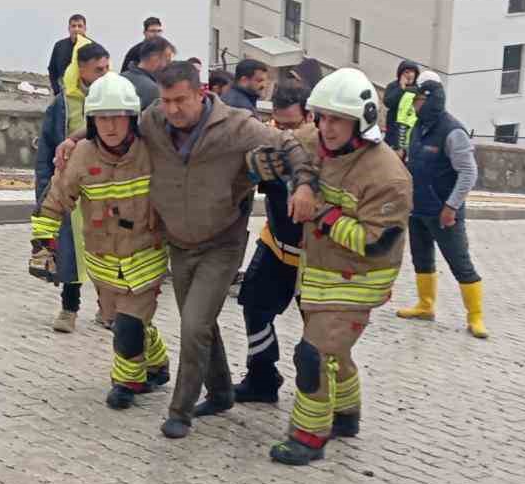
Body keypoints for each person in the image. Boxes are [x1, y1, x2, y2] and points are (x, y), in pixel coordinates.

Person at [63, 63, 318, 440]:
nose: (173, 109)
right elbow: (118, 121)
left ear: (200, 93)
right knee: (201, 321)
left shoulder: (235, 125)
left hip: (222, 242)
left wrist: (304, 186)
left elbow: (288, 144)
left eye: (181, 99)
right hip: (180, 243)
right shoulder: (154, 120)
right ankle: (220, 392)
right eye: (166, 100)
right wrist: (74, 139)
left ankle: (180, 410)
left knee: (194, 324)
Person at [263, 67, 411, 466]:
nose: (326, 128)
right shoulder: (318, 140)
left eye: (337, 120)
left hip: (359, 280)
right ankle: (346, 414)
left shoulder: (388, 176)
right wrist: (299, 180)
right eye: (322, 117)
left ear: (360, 122)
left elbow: (375, 242)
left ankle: (310, 436)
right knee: (336, 353)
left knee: (312, 354)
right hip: (319, 274)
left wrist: (321, 213)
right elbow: (284, 151)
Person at [30, 74, 171, 408]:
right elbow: (54, 202)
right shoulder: (80, 156)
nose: (110, 126)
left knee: (128, 324)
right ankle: (157, 362)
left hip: (145, 256)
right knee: (118, 320)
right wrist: (42, 245)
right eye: (102, 118)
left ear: (131, 118)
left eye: (118, 117)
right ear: (92, 121)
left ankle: (127, 383)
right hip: (103, 261)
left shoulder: (153, 149)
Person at [233, 89, 320, 404]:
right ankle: (262, 377)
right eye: (278, 124)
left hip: (317, 257)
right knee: (254, 306)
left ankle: (326, 395)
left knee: (321, 327)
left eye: (292, 125)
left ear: (311, 118)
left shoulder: (329, 155)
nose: (285, 134)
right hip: (276, 244)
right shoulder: (269, 146)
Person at [395, 77, 487, 338]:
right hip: (417, 208)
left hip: (444, 211)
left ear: (430, 101)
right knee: (422, 259)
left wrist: (451, 206)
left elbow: (468, 172)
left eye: (417, 99)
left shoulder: (453, 131)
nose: (413, 104)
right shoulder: (418, 128)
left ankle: (476, 316)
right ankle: (425, 305)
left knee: (460, 263)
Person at [35, 40, 112, 333]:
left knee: (110, 252)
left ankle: (109, 310)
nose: (104, 75)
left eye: (107, 68)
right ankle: (69, 308)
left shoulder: (111, 100)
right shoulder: (62, 104)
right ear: (81, 70)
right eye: (98, 70)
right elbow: (46, 149)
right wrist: (44, 189)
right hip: (73, 189)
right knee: (71, 252)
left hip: (107, 187)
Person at [123, 36, 175, 110]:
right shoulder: (153, 90)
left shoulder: (120, 78)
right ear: (155, 58)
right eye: (167, 59)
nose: (169, 65)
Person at [382, 60, 422, 152]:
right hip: (393, 128)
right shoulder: (393, 86)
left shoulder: (418, 89)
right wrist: (401, 88)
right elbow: (388, 102)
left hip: (410, 130)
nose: (410, 75)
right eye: (406, 72)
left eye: (412, 72)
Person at [47, 15, 88, 95]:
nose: (76, 29)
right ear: (69, 28)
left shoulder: (92, 47)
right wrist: (56, 90)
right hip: (63, 92)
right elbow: (52, 69)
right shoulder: (59, 46)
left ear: (85, 29)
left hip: (84, 94)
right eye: (73, 26)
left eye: (80, 26)